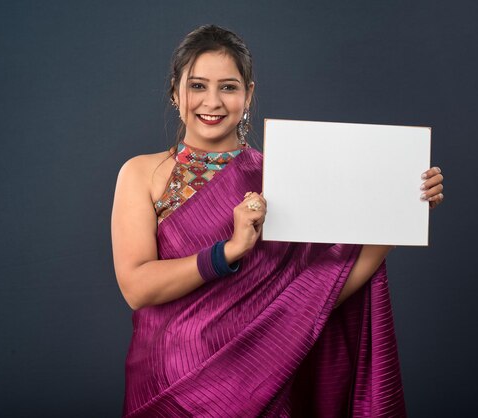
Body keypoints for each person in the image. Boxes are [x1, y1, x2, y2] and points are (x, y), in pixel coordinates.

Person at [111, 24, 444, 418]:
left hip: (259, 380)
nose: (212, 102)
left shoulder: (284, 180)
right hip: (168, 383)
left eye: (229, 87)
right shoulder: (142, 174)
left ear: (248, 93)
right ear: (175, 91)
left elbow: (322, 294)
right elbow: (136, 287)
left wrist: (400, 212)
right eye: (198, 86)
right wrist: (228, 252)